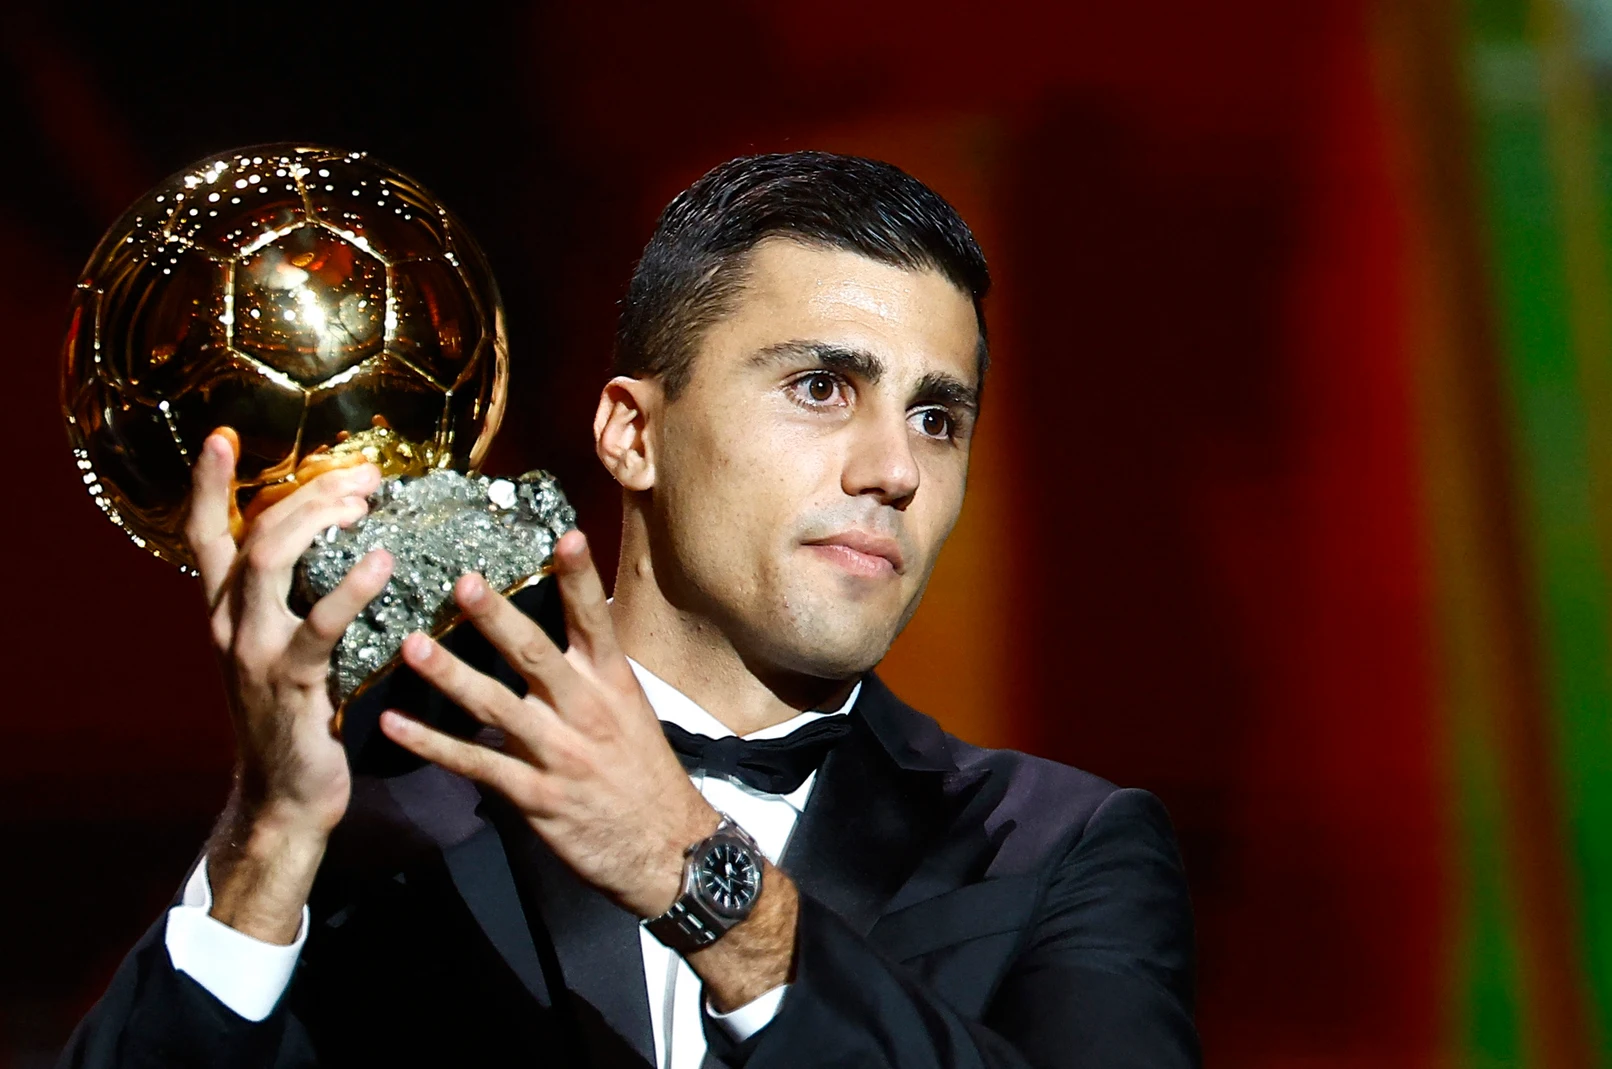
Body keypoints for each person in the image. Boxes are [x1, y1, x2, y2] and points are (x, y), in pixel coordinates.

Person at [59, 152, 1198, 1068]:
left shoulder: (1058, 851)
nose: (894, 468)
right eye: (822, 387)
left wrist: (702, 878)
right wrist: (265, 843)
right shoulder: (383, 813)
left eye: (938, 416)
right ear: (629, 432)